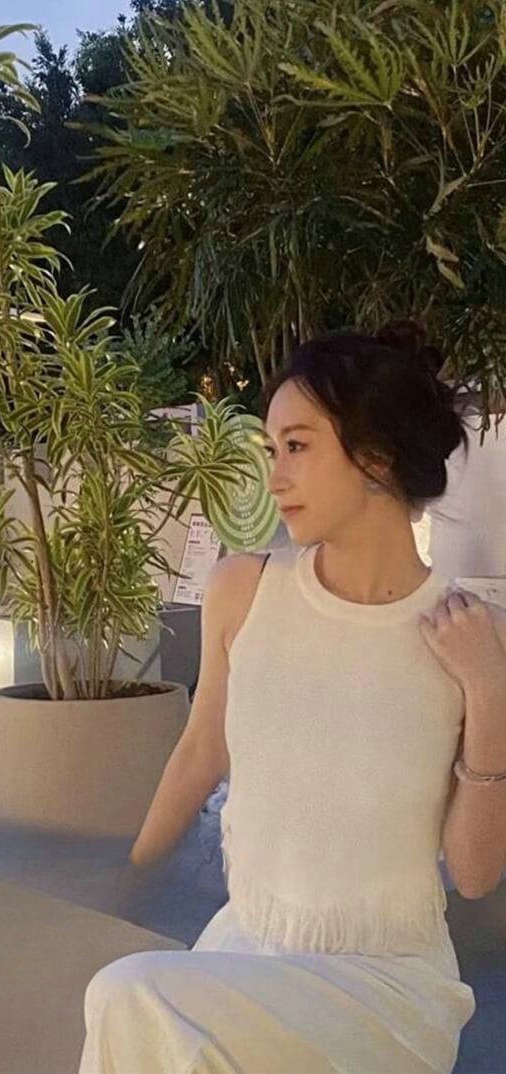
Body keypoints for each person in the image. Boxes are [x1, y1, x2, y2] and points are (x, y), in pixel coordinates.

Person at [78, 320, 506, 1074]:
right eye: (271, 449)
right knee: (141, 1008)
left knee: (129, 994)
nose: (274, 477)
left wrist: (490, 689)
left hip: (385, 988)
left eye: (298, 446)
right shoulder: (244, 590)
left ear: (374, 456)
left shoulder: (475, 635)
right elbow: (201, 751)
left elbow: (473, 875)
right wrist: (128, 873)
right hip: (246, 952)